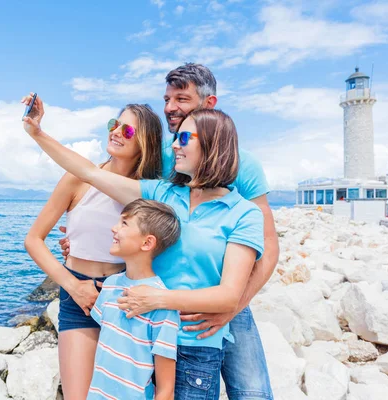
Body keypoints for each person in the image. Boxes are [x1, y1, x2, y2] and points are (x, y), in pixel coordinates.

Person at [60, 63, 278, 399]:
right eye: (166, 98)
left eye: (181, 98)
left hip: (211, 293)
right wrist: (83, 236)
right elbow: (115, 189)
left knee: (251, 389)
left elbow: (266, 243)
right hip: (153, 305)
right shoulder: (161, 154)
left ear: (210, 105)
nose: (170, 107)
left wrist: (231, 307)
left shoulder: (241, 165)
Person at [22, 95, 164, 399]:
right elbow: (33, 239)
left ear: (145, 144)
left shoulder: (146, 194)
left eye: (128, 131)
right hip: (78, 296)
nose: (115, 131)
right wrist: (74, 286)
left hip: (124, 298)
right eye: (115, 124)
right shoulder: (77, 178)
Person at [89, 199, 181, 400]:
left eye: (124, 223)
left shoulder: (162, 305)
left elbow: (166, 390)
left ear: (147, 242)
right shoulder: (111, 285)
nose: (114, 228)